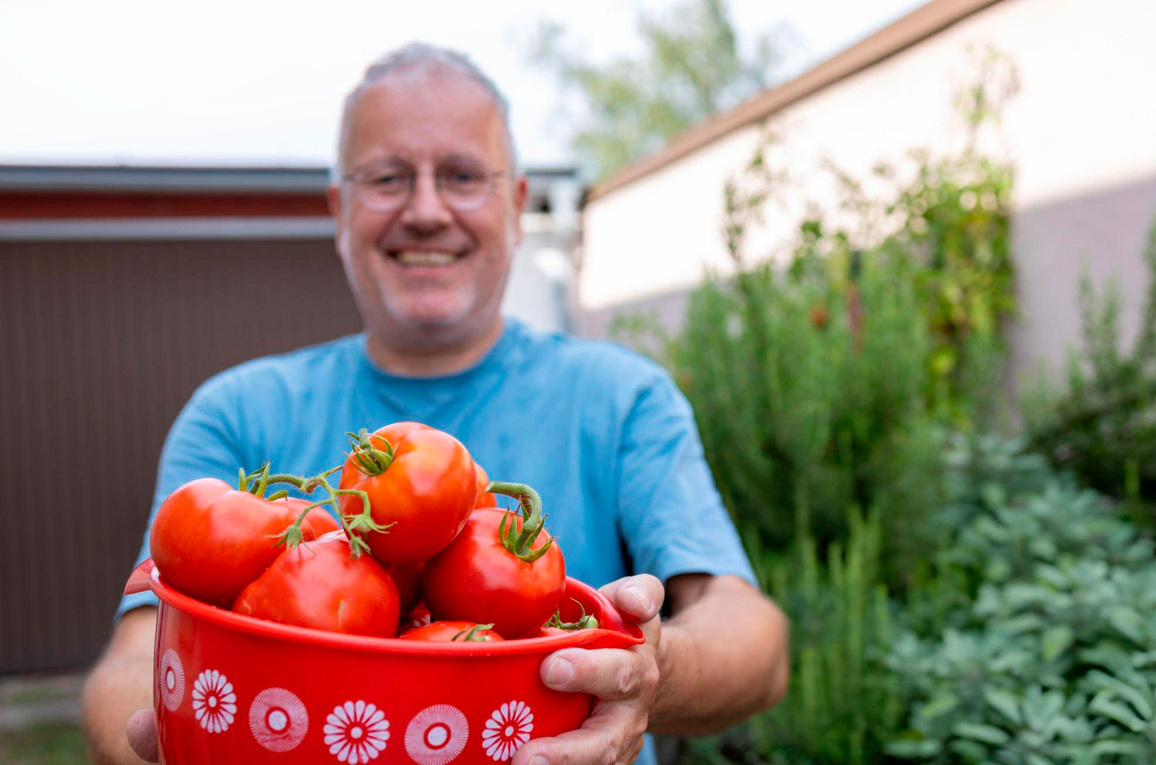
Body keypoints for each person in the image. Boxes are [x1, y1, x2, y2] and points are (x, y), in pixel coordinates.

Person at [81, 43, 789, 765]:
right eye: (387, 177)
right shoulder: (237, 412)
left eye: (462, 176)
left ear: (515, 206)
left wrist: (650, 671)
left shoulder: (623, 397)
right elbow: (136, 656)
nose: (425, 210)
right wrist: (168, 741)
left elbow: (754, 639)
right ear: (341, 208)